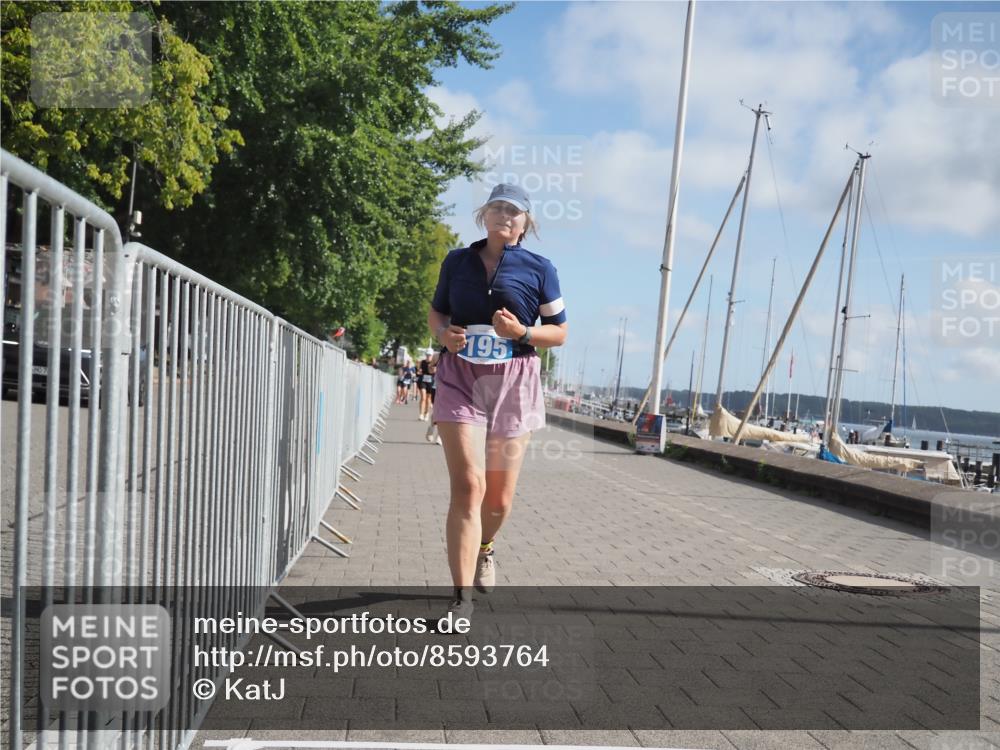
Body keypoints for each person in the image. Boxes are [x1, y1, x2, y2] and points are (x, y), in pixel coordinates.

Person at [427, 183, 567, 627]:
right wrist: (443, 335)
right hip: (460, 378)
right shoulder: (457, 261)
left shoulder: (540, 268)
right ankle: (460, 599)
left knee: (499, 498)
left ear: (526, 224)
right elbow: (437, 314)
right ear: (483, 215)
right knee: (469, 486)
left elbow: (559, 332)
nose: (505, 216)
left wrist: (523, 333)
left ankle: (486, 547)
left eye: (515, 211)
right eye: (498, 208)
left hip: (514, 382)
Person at [424, 353, 442, 444]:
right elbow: (430, 370)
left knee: (445, 414)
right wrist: (432, 367)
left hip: (451, 390)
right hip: (437, 387)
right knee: (437, 412)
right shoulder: (438, 355)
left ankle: (440, 437)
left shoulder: (459, 354)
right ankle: (431, 428)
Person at [418, 352, 434, 421]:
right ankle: (421, 414)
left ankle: (426, 413)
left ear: (432, 356)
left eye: (429, 355)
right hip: (423, 381)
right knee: (423, 397)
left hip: (431, 381)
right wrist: (420, 370)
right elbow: (419, 370)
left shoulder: (434, 362)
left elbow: (433, 371)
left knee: (428, 399)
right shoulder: (422, 362)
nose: (428, 356)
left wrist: (431, 366)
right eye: (427, 355)